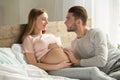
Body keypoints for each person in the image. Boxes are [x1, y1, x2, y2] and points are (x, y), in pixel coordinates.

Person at [48, 6, 119, 80]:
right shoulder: (74, 44)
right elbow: (74, 62)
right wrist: (58, 48)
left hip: (117, 64)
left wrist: (77, 61)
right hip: (108, 73)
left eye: (68, 18)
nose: (65, 22)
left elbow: (101, 60)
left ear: (78, 22)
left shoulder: (96, 33)